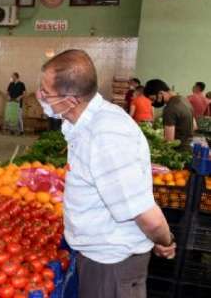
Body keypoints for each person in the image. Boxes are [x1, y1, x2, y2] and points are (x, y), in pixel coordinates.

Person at [38, 50, 175, 298]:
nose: (40, 97)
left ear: (70, 100)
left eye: (45, 93)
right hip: (98, 258)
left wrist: (165, 242)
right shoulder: (83, 123)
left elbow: (148, 216)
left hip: (112, 264)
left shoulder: (106, 136)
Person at [144, 79, 195, 151]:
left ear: (160, 93)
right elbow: (195, 126)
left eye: (153, 99)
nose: (153, 102)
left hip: (178, 151)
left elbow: (169, 141)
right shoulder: (184, 100)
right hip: (190, 147)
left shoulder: (170, 108)